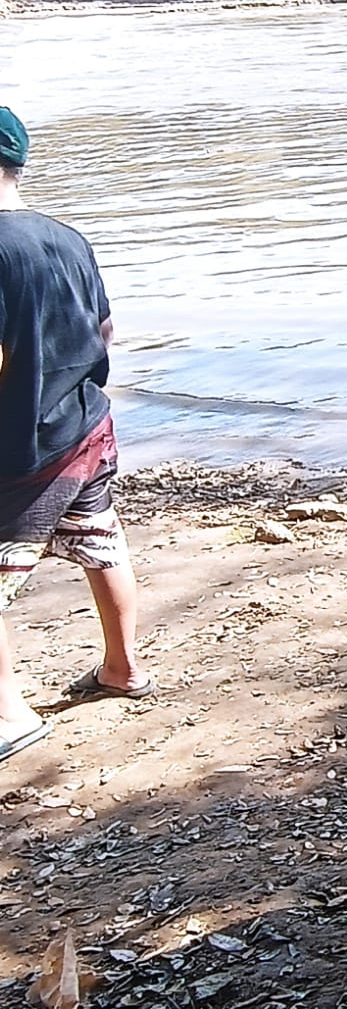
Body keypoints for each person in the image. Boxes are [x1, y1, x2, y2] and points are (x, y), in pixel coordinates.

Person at [0, 106, 154, 766]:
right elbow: (105, 330)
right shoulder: (67, 238)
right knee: (100, 542)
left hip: (21, 445)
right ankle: (123, 668)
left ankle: (9, 716)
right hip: (87, 425)